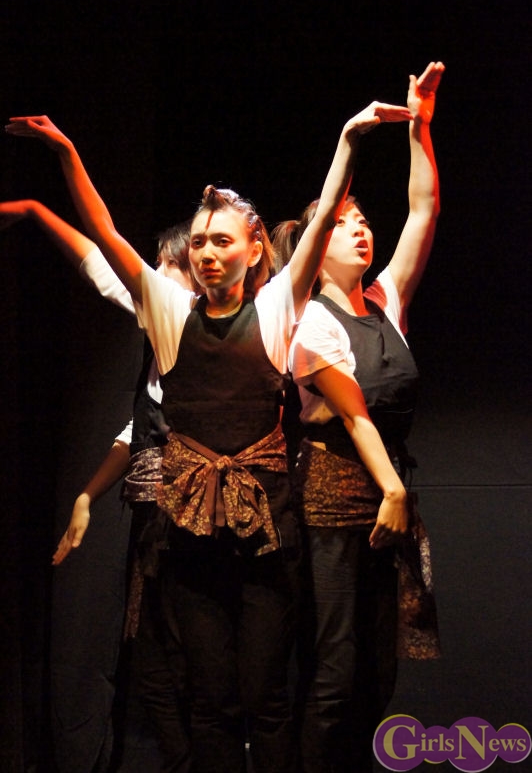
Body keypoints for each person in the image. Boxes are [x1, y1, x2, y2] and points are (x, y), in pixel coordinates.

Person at [3, 96, 412, 773]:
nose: (208, 253)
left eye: (222, 240)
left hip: (267, 537)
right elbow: (103, 232)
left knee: (266, 699)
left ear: (254, 250)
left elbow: (315, 234)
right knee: (211, 700)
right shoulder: (169, 313)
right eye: (198, 242)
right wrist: (66, 152)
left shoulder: (277, 309)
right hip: (190, 538)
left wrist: (349, 139)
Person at [272, 61, 445, 773]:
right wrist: (390, 490)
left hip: (387, 497)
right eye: (343, 226)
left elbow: (423, 210)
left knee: (379, 671)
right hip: (330, 499)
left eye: (364, 221)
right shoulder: (307, 319)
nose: (362, 232)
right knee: (335, 670)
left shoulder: (386, 302)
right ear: (317, 248)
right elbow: (350, 418)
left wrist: (420, 128)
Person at [0, 200, 195, 772]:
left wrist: (38, 209)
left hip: (205, 523)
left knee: (195, 665)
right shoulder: (165, 348)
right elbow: (139, 429)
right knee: (158, 669)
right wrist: (87, 496)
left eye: (166, 268)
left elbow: (102, 256)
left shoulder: (201, 325)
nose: (151, 279)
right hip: (161, 525)